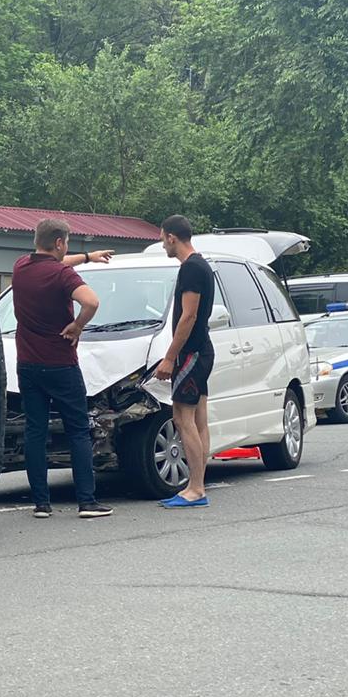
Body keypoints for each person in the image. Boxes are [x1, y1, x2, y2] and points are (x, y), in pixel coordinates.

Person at [12, 218, 116, 519]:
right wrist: (77, 325)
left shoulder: (20, 267)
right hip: (60, 364)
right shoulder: (62, 275)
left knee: (35, 431)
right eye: (66, 243)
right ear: (59, 242)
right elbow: (91, 301)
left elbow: (53, 262)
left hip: (28, 365)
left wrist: (87, 257)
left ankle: (41, 504)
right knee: (78, 430)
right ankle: (86, 501)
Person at [153, 214, 215, 509]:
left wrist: (169, 357)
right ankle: (198, 485)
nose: (162, 243)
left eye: (162, 237)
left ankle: (196, 489)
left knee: (182, 417)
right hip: (202, 350)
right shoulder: (200, 264)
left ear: (171, 237)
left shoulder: (191, 268)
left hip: (191, 353)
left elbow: (188, 316)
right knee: (199, 419)